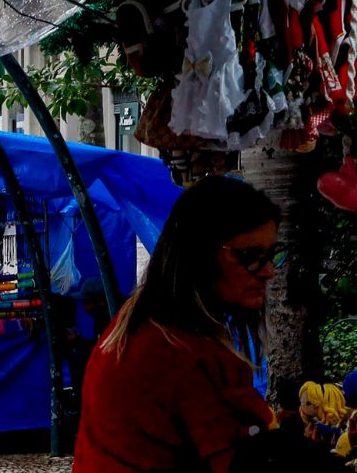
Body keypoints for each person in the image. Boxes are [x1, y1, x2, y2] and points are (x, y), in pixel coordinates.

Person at [75, 175, 300, 472]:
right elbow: (238, 460)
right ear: (201, 253)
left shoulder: (143, 322)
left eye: (272, 255)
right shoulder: (180, 351)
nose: (268, 271)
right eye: (250, 256)